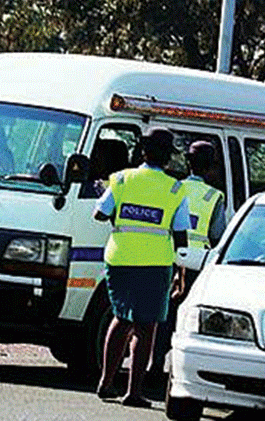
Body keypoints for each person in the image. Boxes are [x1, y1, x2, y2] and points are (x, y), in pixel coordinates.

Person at [92, 127, 191, 409]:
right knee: (146, 327)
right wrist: (182, 270)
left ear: (143, 152)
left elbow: (99, 213)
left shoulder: (122, 179)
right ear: (168, 159)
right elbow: (181, 234)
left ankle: (106, 382)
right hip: (155, 263)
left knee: (121, 319)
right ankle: (133, 392)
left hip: (120, 259)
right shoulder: (175, 188)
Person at [150, 140, 226, 379]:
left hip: (167, 257)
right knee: (188, 318)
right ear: (211, 168)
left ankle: (154, 365)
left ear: (188, 163)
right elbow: (217, 235)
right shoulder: (214, 196)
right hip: (196, 264)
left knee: (164, 314)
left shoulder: (173, 187)